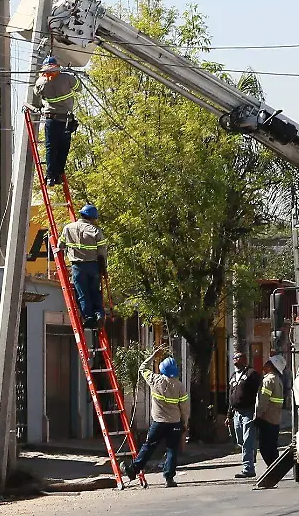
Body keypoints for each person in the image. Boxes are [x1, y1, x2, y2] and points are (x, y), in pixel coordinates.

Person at [123, 347, 190, 487]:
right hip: (175, 423)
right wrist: (185, 423)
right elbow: (185, 407)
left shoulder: (155, 380)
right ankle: (169, 479)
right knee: (172, 450)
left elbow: (142, 368)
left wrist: (153, 356)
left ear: (162, 370)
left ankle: (133, 470)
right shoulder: (180, 386)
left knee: (148, 447)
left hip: (158, 423)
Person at [31, 56, 81, 185]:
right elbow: (78, 88)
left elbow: (36, 93)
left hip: (51, 120)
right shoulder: (67, 78)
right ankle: (58, 174)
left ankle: (51, 176)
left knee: (51, 148)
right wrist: (71, 74)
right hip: (65, 120)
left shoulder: (40, 82)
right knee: (63, 148)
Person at [59, 204, 109, 328]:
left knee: (82, 293)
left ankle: (89, 317)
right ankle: (99, 314)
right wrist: (104, 267)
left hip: (77, 266)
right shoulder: (95, 231)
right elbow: (102, 251)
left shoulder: (68, 228)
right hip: (94, 266)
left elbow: (61, 245)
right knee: (95, 291)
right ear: (93, 218)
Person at [227, 351, 262, 478]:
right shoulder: (232, 376)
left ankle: (248, 469)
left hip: (249, 411)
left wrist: (258, 410)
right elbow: (231, 396)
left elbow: (259, 392)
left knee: (247, 440)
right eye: (234, 357)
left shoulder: (251, 374)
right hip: (236, 413)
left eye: (239, 357)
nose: (236, 359)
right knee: (240, 440)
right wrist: (229, 415)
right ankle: (251, 453)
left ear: (244, 360)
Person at [251, 355, 286, 469]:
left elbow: (263, 400)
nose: (264, 365)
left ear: (271, 366)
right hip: (275, 419)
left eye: (268, 363)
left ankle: (273, 469)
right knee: (272, 446)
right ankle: (275, 467)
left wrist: (258, 415)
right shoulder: (277, 379)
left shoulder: (268, 380)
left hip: (267, 418)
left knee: (265, 447)